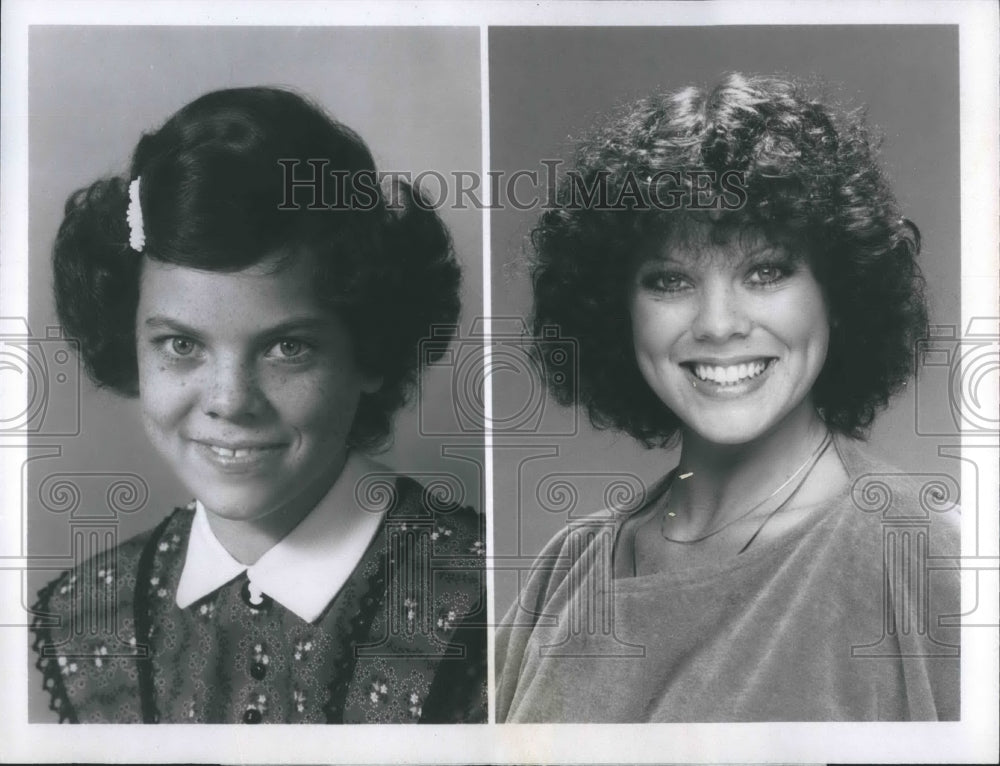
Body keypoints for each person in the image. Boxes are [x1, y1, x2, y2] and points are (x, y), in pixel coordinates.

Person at [496, 73, 960, 722]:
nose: (718, 324)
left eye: (765, 271)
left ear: (837, 292)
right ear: (616, 311)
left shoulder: (917, 558)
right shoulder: (566, 569)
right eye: (669, 280)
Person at [31, 87, 486, 724]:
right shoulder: (86, 617)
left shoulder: (492, 599)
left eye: (287, 347)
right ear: (128, 343)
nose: (230, 402)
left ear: (370, 352)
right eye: (181, 344)